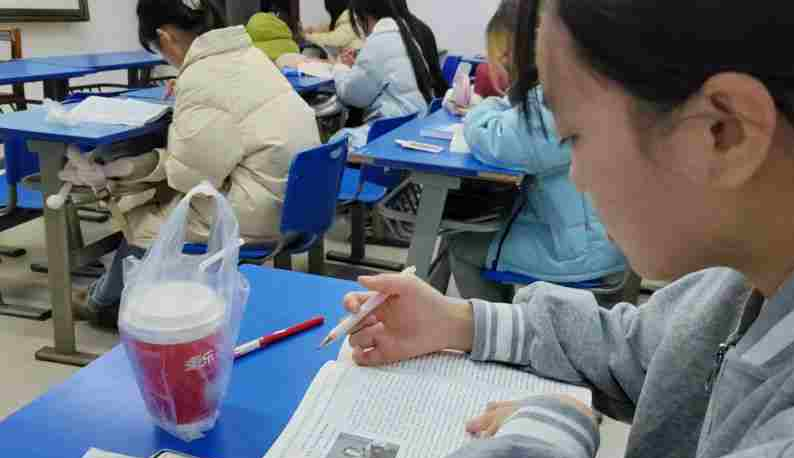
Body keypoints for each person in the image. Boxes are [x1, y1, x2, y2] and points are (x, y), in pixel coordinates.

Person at [342, 0, 794, 458]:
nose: (577, 176)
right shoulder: (770, 274)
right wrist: (460, 322)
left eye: (575, 138)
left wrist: (542, 436)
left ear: (723, 132)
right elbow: (645, 347)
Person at [73, 0, 320, 327]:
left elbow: (188, 176)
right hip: (296, 205)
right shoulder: (249, 55)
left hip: (258, 217)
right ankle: (109, 293)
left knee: (141, 216)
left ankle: (106, 302)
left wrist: (129, 172)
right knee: (161, 200)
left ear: (165, 37)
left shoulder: (203, 76)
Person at [430, 0, 625, 302]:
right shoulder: (585, 78)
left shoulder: (554, 97)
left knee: (462, 246)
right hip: (601, 233)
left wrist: (481, 108)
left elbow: (497, 141)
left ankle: (492, 329)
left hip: (583, 249)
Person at [330, 0, 440, 149]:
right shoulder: (403, 33)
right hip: (412, 124)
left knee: (336, 143)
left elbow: (352, 96)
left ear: (364, 15)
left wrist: (340, 68)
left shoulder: (378, 41)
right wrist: (358, 65)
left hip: (393, 131)